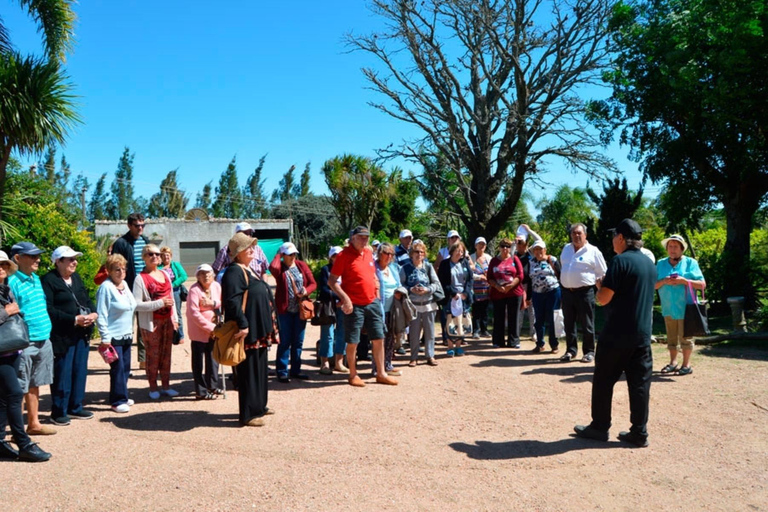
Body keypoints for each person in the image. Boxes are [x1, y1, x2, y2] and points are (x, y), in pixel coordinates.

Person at [574, 219, 656, 448]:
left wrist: (600, 287)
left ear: (621, 238)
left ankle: (600, 427)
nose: (612, 241)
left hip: (617, 333)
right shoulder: (650, 264)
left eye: (613, 236)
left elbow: (603, 299)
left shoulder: (620, 262)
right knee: (639, 384)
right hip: (642, 335)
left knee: (603, 380)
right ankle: (639, 432)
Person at [329, 226, 398, 387]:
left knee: (379, 337)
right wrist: (345, 299)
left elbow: (372, 273)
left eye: (366, 237)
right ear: (352, 238)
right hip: (354, 304)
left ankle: (381, 373)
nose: (364, 240)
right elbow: (332, 281)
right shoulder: (343, 256)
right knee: (353, 341)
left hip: (372, 302)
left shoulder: (368, 253)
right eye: (360, 237)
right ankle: (353, 374)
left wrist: (375, 288)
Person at [0, 250, 52, 462]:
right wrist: (7, 312)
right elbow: (10, 312)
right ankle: (23, 444)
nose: (2, 269)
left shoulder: (5, 289)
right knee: (14, 394)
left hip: (11, 350)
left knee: (4, 399)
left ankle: (1, 442)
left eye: (4, 265)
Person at [221, 232, 276, 427]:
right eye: (248, 247)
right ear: (239, 252)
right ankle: (248, 413)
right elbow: (232, 301)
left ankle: (259, 405)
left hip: (258, 329)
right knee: (248, 372)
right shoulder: (234, 271)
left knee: (260, 369)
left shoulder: (248, 268)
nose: (253, 249)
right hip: (247, 330)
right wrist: (243, 324)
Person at [41, 246, 98, 425]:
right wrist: (74, 319)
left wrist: (93, 313)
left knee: (79, 371)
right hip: (62, 334)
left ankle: (75, 407)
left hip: (81, 333)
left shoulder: (76, 278)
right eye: (70, 259)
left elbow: (86, 299)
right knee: (62, 373)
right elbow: (49, 309)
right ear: (58, 261)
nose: (75, 262)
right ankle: (58, 411)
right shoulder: (49, 280)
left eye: (75, 258)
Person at [8, 242, 56, 436]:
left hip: (43, 338)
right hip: (25, 342)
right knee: (19, 386)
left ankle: (34, 423)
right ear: (18, 259)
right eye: (32, 256)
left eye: (38, 255)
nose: (37, 259)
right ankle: (17, 429)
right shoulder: (12, 282)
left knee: (35, 383)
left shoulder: (35, 278)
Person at [133, 244, 179, 399]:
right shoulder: (140, 278)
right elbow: (136, 304)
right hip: (151, 323)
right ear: (144, 257)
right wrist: (160, 303)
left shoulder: (165, 274)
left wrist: (175, 318)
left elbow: (171, 297)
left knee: (167, 354)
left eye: (157, 254)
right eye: (150, 254)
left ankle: (166, 385)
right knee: (153, 355)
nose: (155, 257)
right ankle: (153, 387)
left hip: (168, 321)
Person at [656, 234, 706, 376]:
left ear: (682, 249)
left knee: (686, 337)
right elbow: (653, 285)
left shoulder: (691, 263)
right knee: (671, 337)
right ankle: (673, 362)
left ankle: (686, 364)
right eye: (670, 246)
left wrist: (684, 281)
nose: (672, 249)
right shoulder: (660, 264)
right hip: (668, 307)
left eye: (676, 247)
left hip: (686, 307)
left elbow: (702, 285)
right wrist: (664, 281)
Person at [559, 223, 607, 363]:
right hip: (567, 292)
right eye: (574, 233)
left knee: (587, 323)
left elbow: (602, 272)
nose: (576, 235)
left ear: (585, 235)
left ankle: (589, 352)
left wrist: (602, 291)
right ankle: (571, 351)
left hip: (585, 292)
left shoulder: (593, 251)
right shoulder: (566, 249)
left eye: (579, 233)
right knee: (569, 323)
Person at [95, 254, 137, 413]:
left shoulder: (125, 285)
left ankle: (123, 395)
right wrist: (105, 337)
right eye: (117, 269)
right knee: (117, 368)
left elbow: (132, 305)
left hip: (127, 334)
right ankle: (117, 400)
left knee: (125, 368)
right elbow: (102, 313)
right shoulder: (105, 288)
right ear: (109, 271)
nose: (121, 272)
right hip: (113, 336)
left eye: (123, 269)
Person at [270, 242, 317, 383]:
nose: (292, 257)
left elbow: (313, 283)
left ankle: (296, 370)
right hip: (285, 311)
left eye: (294, 254)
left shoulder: (301, 265)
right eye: (289, 254)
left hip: (300, 310)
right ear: (283, 255)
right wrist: (278, 254)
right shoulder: (280, 268)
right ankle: (282, 371)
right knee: (284, 341)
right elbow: (272, 267)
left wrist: (306, 291)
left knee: (298, 341)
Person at [111, 213, 150, 369]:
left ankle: (143, 361)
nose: (140, 228)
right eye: (137, 225)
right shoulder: (121, 243)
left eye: (142, 225)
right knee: (125, 325)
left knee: (144, 325)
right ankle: (122, 363)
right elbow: (115, 266)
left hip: (144, 288)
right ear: (129, 226)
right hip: (127, 289)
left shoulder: (146, 241)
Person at [400, 241, 442, 367]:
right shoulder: (405, 268)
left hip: (429, 304)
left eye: (421, 252)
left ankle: (430, 356)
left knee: (430, 332)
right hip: (413, 305)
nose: (419, 254)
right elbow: (400, 285)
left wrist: (427, 289)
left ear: (424, 254)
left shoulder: (428, 267)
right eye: (416, 252)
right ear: (411, 254)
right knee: (414, 333)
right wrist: (410, 289)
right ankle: (413, 357)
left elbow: (436, 284)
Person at [186, 264, 222, 399]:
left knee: (213, 359)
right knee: (198, 362)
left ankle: (212, 386)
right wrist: (210, 327)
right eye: (202, 274)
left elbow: (221, 302)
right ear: (197, 276)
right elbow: (193, 313)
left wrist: (212, 303)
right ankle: (200, 391)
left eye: (208, 273)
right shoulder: (194, 290)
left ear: (213, 275)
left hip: (214, 330)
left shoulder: (216, 286)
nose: (206, 276)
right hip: (199, 331)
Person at [438, 241, 474, 356]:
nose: (460, 253)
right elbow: (442, 281)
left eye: (462, 251)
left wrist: (466, 293)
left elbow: (470, 279)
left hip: (463, 296)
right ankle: (450, 346)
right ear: (452, 251)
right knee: (450, 321)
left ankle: (458, 346)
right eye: (458, 250)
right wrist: (453, 293)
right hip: (450, 297)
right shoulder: (444, 264)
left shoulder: (465, 263)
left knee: (461, 321)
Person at [487, 238, 524, 348]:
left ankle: (514, 341)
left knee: (514, 317)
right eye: (503, 246)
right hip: (498, 292)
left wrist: (510, 286)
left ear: (510, 248)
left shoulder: (514, 259)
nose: (505, 248)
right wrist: (497, 286)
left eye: (507, 246)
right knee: (498, 317)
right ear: (499, 247)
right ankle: (498, 341)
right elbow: (489, 277)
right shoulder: (494, 261)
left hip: (514, 292)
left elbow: (520, 275)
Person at [317, 246, 347, 375]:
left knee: (342, 333)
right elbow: (324, 289)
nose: (337, 257)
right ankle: (325, 363)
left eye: (339, 255)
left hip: (343, 305)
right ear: (331, 257)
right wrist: (341, 297)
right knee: (327, 334)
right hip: (329, 306)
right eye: (335, 255)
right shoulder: (325, 269)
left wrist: (344, 300)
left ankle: (339, 363)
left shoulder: (346, 269)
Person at [375, 243, 403, 376]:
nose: (389, 256)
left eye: (391, 254)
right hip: (378, 309)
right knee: (378, 339)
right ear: (380, 254)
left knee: (390, 338)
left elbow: (399, 284)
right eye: (386, 253)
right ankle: (377, 368)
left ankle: (387, 364)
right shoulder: (374, 268)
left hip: (392, 310)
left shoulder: (393, 268)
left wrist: (399, 292)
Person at [529, 240, 561, 353]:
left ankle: (554, 345)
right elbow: (529, 280)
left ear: (545, 250)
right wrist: (528, 296)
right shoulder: (531, 262)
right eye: (536, 249)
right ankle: (540, 344)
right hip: (537, 294)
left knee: (553, 318)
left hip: (553, 292)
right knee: (539, 319)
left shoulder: (552, 259)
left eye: (540, 249)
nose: (538, 252)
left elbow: (560, 274)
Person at [515, 224, 542, 344]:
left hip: (531, 285)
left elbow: (539, 240)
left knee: (533, 311)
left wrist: (529, 230)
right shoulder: (513, 254)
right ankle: (516, 333)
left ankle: (534, 333)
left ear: (526, 243)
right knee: (518, 311)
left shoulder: (530, 252)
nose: (520, 245)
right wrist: (513, 244)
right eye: (518, 243)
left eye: (522, 242)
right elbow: (510, 256)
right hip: (518, 286)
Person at [159, 246, 188, 343]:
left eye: (167, 255)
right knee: (164, 314)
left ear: (170, 256)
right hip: (163, 293)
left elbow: (183, 276)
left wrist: (173, 284)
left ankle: (180, 336)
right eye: (163, 255)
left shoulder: (176, 265)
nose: (166, 257)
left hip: (175, 291)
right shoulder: (158, 268)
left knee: (177, 313)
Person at [470, 237, 492, 338]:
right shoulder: (471, 258)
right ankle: (476, 330)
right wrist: (480, 277)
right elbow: (469, 274)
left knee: (485, 310)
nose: (481, 246)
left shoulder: (488, 258)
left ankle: (484, 329)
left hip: (486, 289)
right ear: (475, 246)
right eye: (479, 244)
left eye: (483, 244)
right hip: (474, 289)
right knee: (476, 311)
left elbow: (492, 272)